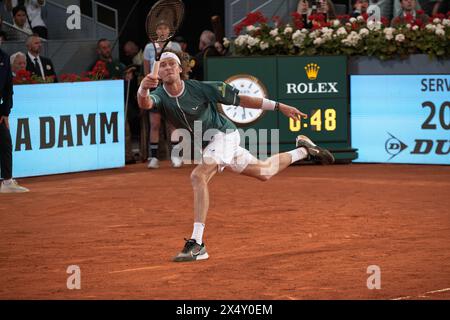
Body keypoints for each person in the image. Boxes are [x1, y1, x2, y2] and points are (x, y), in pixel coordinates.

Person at [137, 52, 335, 262]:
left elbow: (243, 100)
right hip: (209, 146)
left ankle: (197, 244)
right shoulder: (159, 94)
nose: (167, 68)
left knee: (198, 176)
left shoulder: (200, 88)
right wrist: (143, 88)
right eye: (163, 65)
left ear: (179, 69)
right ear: (158, 71)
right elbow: (146, 103)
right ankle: (304, 150)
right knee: (265, 171)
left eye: (172, 64)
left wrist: (279, 106)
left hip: (224, 136)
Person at [143, 20, 183, 169]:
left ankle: (175, 156)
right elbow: (146, 70)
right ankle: (153, 157)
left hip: (173, 88)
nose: (162, 31)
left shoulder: (176, 47)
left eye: (165, 27)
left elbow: (181, 67)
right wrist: (151, 83)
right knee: (155, 123)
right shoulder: (149, 47)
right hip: (156, 89)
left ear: (169, 30)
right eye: (159, 28)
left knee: (172, 122)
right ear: (156, 31)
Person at [0, 48, 29, 193]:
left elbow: (7, 87)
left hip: (0, 111)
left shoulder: (4, 57)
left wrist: (5, 111)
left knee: (5, 142)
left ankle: (6, 181)